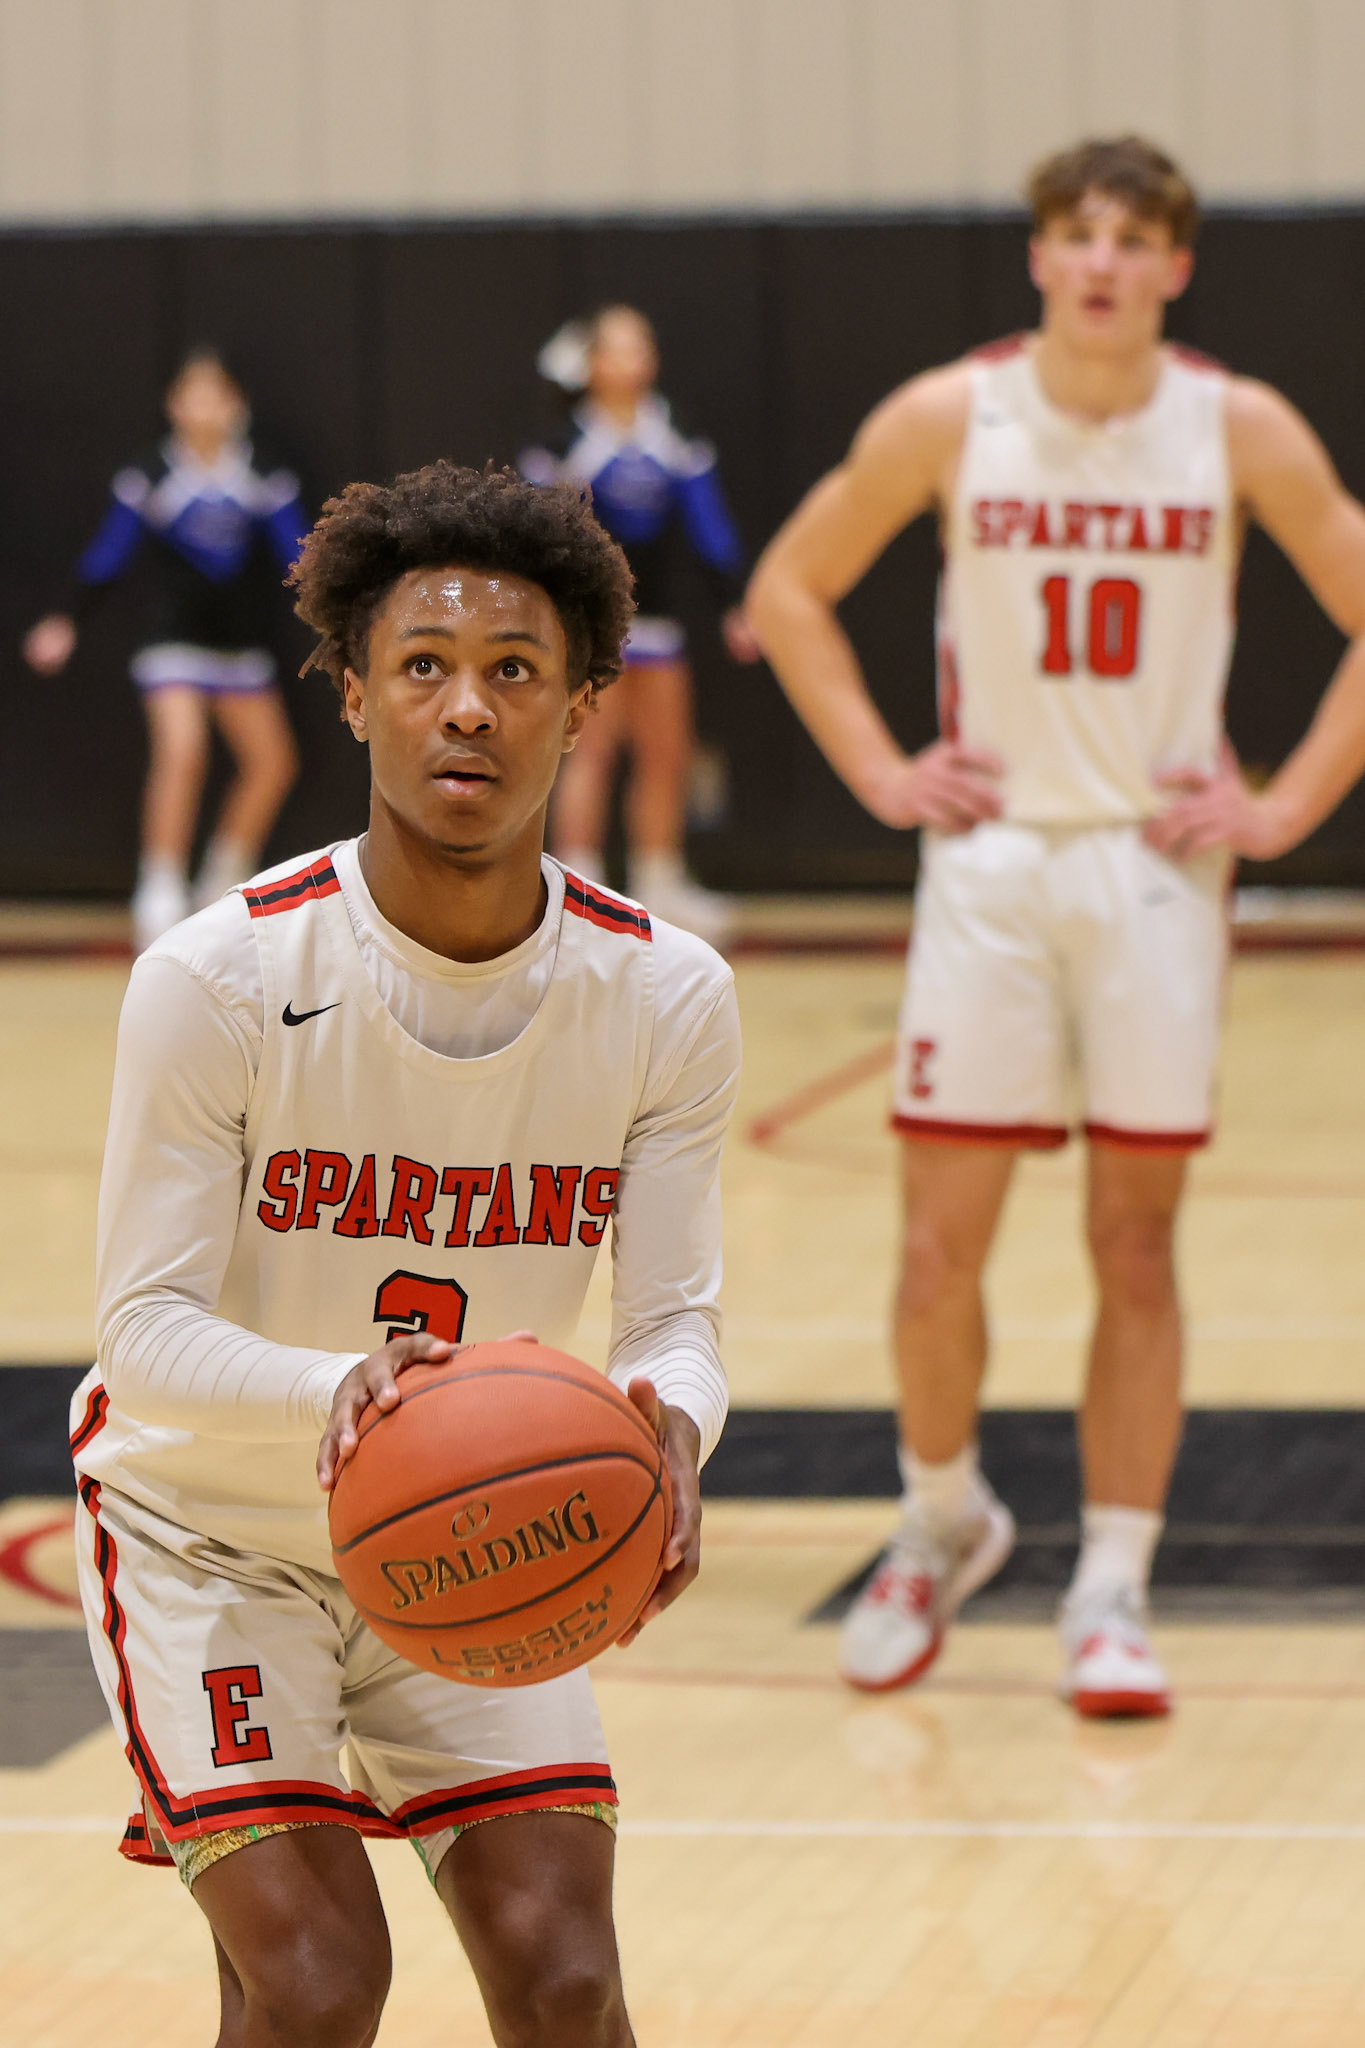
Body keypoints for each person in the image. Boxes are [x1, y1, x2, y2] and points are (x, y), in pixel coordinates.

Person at [70, 460, 739, 2047]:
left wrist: (673, 1432)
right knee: (314, 1983)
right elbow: (140, 1328)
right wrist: (342, 1392)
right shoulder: (219, 979)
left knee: (565, 1979)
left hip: (472, 1541)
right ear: (351, 696)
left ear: (584, 706)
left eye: (514, 673)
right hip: (209, 1533)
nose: (467, 711)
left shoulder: (666, 997)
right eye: (422, 668)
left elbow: (676, 1320)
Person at [747, 136, 1365, 1716]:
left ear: (1177, 266)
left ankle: (1111, 1581)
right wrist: (884, 768)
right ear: (1039, 259)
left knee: (1133, 1245)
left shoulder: (1235, 426)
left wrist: (1288, 805)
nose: (1102, 260)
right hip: (996, 865)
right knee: (937, 1249)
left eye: (1134, 237)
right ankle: (940, 1517)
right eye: (1077, 234)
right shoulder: (956, 412)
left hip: (1156, 871)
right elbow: (790, 588)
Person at [24, 348, 306, 952]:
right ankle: (159, 889)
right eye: (192, 394)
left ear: (238, 406)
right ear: (173, 406)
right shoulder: (153, 473)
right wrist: (66, 618)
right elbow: (109, 553)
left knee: (272, 764)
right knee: (183, 751)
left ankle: (223, 883)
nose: (204, 407)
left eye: (217, 395)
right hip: (173, 641)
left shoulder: (261, 471)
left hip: (241, 645)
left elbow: (297, 553)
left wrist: (338, 611)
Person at [522, 304, 761, 944]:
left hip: (656, 620)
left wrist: (733, 600)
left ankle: (661, 881)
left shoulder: (672, 432)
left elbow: (709, 523)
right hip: (587, 623)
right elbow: (539, 535)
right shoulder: (565, 444)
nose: (632, 360)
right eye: (617, 349)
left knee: (667, 752)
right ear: (591, 364)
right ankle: (575, 885)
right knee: (591, 751)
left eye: (641, 346)